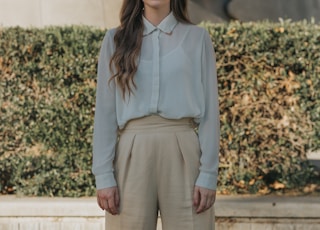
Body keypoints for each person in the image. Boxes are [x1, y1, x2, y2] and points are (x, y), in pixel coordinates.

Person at [92, 0, 220, 229]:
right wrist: (103, 175)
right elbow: (104, 113)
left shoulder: (198, 38)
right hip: (132, 152)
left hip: (184, 150)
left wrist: (209, 173)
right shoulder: (115, 40)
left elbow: (211, 112)